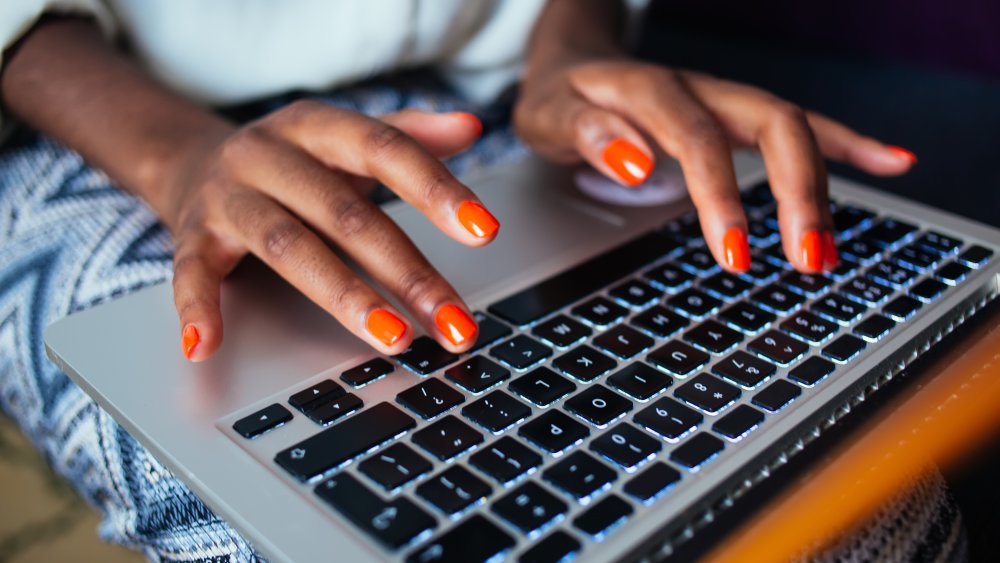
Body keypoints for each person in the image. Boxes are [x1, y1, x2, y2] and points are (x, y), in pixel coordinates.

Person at [0, 1, 951, 560]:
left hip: (467, 99)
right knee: (277, 515)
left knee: (851, 495)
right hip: (106, 122)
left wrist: (573, 52)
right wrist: (180, 160)